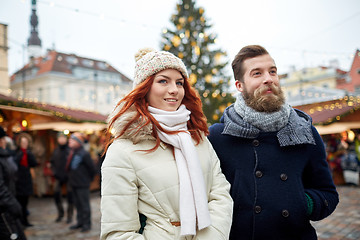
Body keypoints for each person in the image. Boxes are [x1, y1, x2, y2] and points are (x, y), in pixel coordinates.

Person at [208, 45, 339, 240]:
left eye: (272, 71)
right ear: (239, 85)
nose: (268, 78)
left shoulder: (304, 132)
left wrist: (303, 202)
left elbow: (328, 193)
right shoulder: (219, 136)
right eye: (257, 73)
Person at [100, 48, 233, 239]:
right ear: (144, 89)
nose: (174, 89)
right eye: (163, 81)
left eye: (179, 83)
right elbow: (118, 232)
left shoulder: (198, 139)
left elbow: (220, 196)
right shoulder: (123, 150)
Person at [0, 126, 27, 240]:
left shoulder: (5, 155)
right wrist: (13, 205)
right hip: (4, 211)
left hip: (8, 207)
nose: (4, 141)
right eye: (2, 138)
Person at [67, 132, 96, 232]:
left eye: (72, 140)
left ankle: (86, 224)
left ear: (78, 142)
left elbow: (92, 169)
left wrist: (88, 180)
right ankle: (80, 222)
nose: (69, 141)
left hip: (82, 184)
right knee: (77, 204)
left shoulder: (84, 154)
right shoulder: (72, 152)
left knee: (84, 205)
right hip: (74, 183)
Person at [14, 132, 38, 228]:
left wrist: (28, 154)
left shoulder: (29, 153)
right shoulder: (16, 153)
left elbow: (34, 164)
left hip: (26, 179)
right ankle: (20, 221)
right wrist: (20, 154)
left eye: (26, 142)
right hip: (18, 180)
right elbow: (14, 164)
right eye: (22, 142)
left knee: (25, 202)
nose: (24, 144)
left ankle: (25, 220)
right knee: (19, 202)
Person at [50, 132, 74, 223]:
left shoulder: (70, 150)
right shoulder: (55, 150)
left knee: (70, 196)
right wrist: (54, 172)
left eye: (63, 138)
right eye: (60, 138)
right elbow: (52, 162)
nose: (61, 140)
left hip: (68, 177)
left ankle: (69, 215)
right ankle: (60, 213)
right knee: (56, 194)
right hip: (58, 176)